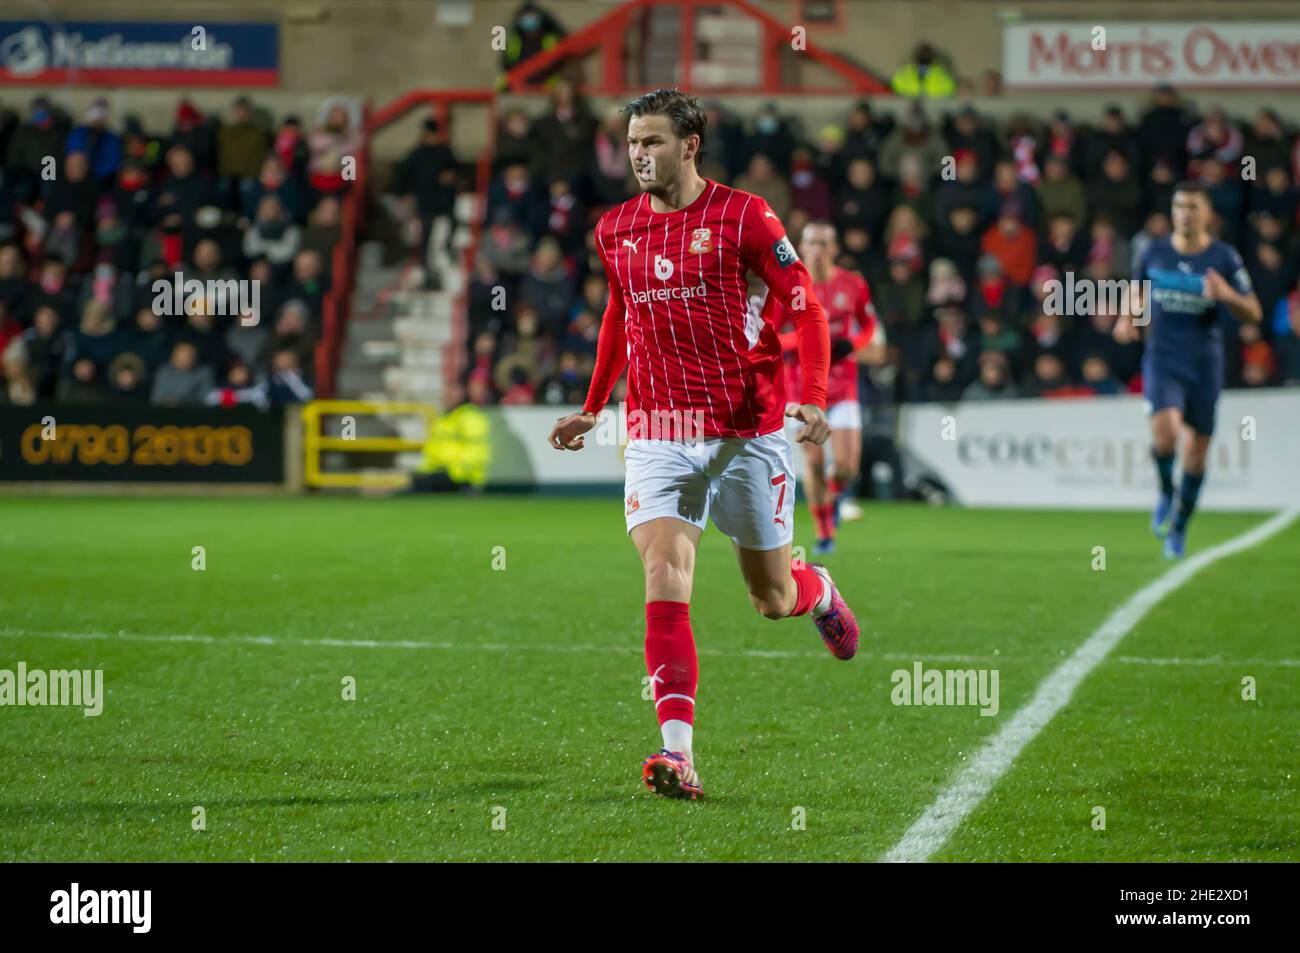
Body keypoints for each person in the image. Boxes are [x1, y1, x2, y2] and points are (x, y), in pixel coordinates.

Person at [546, 88, 860, 802]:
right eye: (631, 143)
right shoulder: (615, 228)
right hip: (658, 429)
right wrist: (594, 406)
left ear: (689, 145)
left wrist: (812, 394)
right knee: (665, 569)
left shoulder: (745, 216)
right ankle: (677, 752)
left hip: (745, 431)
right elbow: (620, 315)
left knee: (770, 597)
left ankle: (817, 592)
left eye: (652, 142)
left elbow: (804, 303)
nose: (638, 155)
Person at [1114, 182, 1261, 558]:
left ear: (1207, 214)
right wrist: (1128, 318)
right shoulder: (1154, 251)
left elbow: (1254, 311)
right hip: (1163, 357)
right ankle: (1166, 489)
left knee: (1196, 452)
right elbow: (1137, 289)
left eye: (1193, 206)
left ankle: (1179, 527)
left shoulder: (1224, 257)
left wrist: (1227, 296)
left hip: (1204, 361)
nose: (1185, 212)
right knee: (1165, 435)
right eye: (1179, 205)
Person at [771, 221, 877, 554]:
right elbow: (770, 336)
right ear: (801, 248)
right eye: (811, 243)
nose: (817, 249)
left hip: (843, 386)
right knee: (814, 462)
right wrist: (810, 340)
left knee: (847, 466)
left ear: (834, 249)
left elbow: (869, 323)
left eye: (823, 243)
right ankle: (824, 532)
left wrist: (853, 343)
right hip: (801, 389)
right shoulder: (788, 285)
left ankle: (833, 495)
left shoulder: (853, 283)